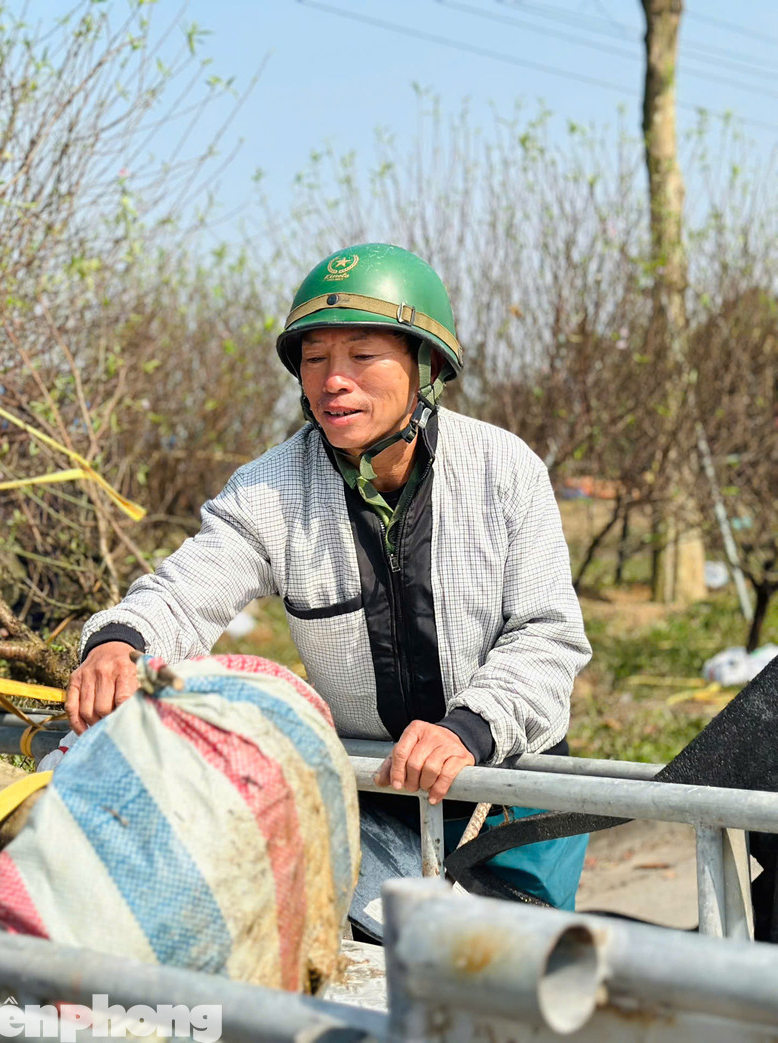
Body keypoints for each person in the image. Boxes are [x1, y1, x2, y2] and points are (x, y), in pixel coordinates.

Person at [66, 243, 592, 934]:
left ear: (425, 365)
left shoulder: (504, 471)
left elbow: (547, 635)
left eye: (362, 355)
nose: (333, 380)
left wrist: (468, 727)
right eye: (315, 359)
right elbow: (185, 590)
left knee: (514, 989)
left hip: (510, 794)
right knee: (366, 984)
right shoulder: (271, 487)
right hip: (373, 792)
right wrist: (118, 641)